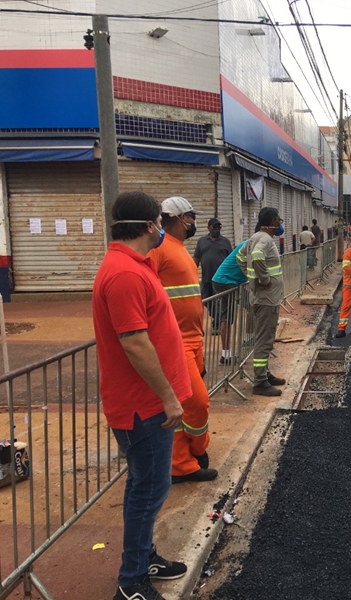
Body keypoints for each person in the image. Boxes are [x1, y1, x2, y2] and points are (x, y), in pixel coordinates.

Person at [93, 190, 190, 600]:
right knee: (148, 489)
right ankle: (131, 581)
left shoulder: (136, 264)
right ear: (150, 225)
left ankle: (144, 557)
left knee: (148, 486)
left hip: (147, 403)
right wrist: (169, 397)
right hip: (143, 407)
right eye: (159, 222)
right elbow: (134, 342)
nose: (162, 229)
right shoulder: (126, 274)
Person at [148, 196, 217, 483]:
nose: (193, 223)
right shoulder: (159, 249)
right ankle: (198, 450)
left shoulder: (179, 249)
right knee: (197, 403)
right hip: (176, 344)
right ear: (176, 218)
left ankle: (180, 462)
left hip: (193, 340)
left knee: (185, 404)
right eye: (190, 217)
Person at [236, 207, 287, 396]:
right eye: (279, 220)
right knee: (264, 340)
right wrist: (263, 279)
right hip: (266, 299)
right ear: (273, 221)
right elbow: (257, 256)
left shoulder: (254, 237)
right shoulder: (265, 240)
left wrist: (251, 278)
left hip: (262, 297)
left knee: (266, 337)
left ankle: (265, 373)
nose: (280, 223)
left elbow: (240, 257)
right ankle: (260, 382)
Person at [211, 238, 248, 366]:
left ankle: (226, 355)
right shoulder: (249, 246)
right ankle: (227, 354)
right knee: (251, 305)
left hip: (225, 280)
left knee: (249, 306)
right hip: (226, 282)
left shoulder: (249, 244)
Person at [193, 218, 233, 333]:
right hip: (206, 278)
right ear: (208, 228)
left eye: (218, 227)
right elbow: (196, 258)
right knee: (206, 300)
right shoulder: (202, 241)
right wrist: (191, 271)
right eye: (214, 227)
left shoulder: (225, 242)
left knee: (216, 301)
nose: (216, 229)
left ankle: (217, 324)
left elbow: (231, 259)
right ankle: (217, 318)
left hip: (219, 279)